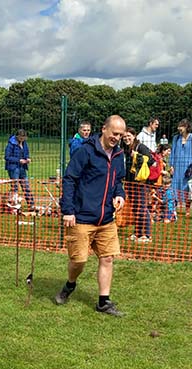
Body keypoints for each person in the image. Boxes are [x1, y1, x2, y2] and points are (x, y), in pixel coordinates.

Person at [56, 115, 126, 317]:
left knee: (108, 258)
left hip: (106, 219)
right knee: (78, 261)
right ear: (104, 129)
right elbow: (69, 179)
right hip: (81, 217)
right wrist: (68, 210)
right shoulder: (85, 151)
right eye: (114, 133)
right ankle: (70, 284)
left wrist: (119, 195)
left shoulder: (119, 155)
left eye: (120, 135)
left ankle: (103, 301)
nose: (116, 138)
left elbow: (118, 181)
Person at [121, 127, 156, 243]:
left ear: (134, 135)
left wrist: (137, 156)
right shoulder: (125, 148)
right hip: (130, 182)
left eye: (128, 136)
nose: (126, 138)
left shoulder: (140, 147)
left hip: (140, 183)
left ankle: (147, 235)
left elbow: (151, 160)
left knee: (141, 208)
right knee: (135, 208)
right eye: (124, 136)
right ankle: (138, 233)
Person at [169, 119, 192, 216]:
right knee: (174, 186)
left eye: (181, 126)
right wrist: (171, 165)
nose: (179, 128)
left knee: (187, 187)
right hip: (177, 167)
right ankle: (173, 208)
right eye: (178, 126)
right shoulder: (176, 138)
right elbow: (172, 153)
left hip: (188, 168)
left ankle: (187, 209)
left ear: (186, 127)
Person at [4, 128, 34, 209]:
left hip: (22, 168)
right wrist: (18, 160)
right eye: (21, 138)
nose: (23, 139)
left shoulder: (24, 144)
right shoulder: (11, 144)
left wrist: (27, 158)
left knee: (26, 186)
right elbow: (7, 157)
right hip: (13, 168)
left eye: (24, 138)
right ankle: (14, 205)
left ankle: (31, 204)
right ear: (17, 137)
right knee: (15, 187)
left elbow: (26, 153)